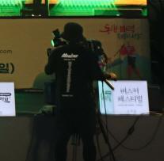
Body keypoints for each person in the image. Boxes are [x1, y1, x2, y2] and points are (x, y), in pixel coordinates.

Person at [45, 22, 114, 161]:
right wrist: (109, 75)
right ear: (80, 37)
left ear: (65, 37)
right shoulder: (88, 54)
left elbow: (48, 70)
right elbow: (97, 75)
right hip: (84, 105)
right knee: (88, 141)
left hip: (64, 104)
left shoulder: (57, 52)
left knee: (61, 140)